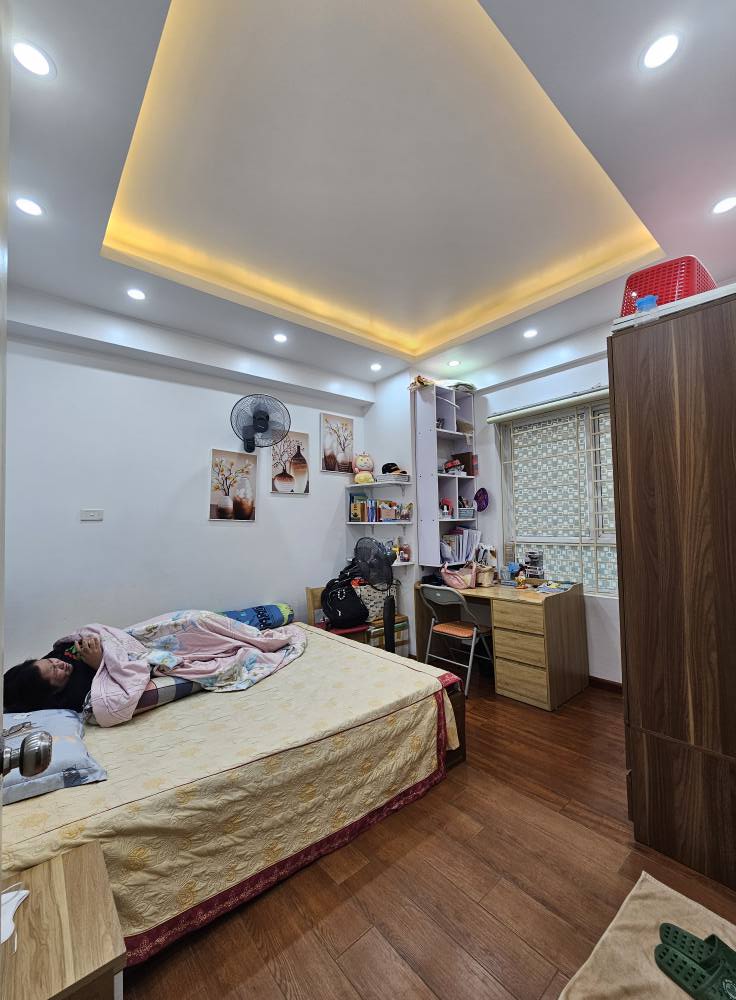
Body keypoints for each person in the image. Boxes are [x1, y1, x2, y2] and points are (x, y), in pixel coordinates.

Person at [4, 635, 104, 713]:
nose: (59, 663)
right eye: (55, 671)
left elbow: (67, 642)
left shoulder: (49, 661)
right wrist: (98, 663)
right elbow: (109, 689)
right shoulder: (76, 695)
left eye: (50, 661)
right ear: (53, 692)